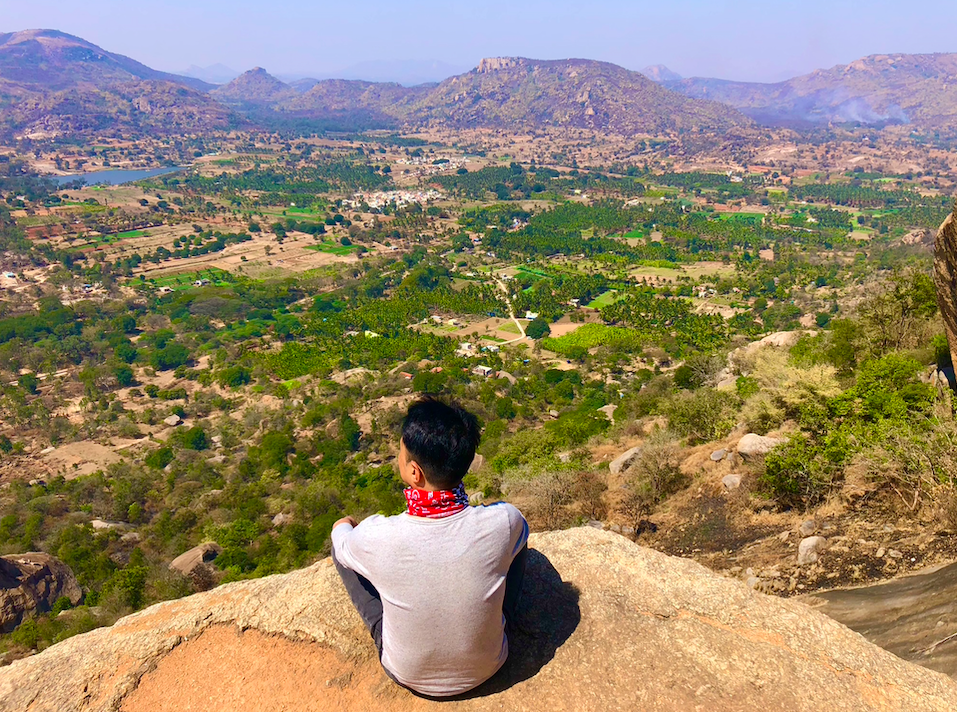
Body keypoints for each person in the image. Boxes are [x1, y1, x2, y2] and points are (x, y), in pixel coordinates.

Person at [331, 396, 529, 697]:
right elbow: (520, 535)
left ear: (415, 473)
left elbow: (342, 541)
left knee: (340, 550)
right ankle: (502, 620)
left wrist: (342, 524)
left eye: (401, 451)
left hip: (407, 674)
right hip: (490, 665)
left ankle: (381, 626)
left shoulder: (378, 535)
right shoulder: (504, 521)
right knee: (519, 543)